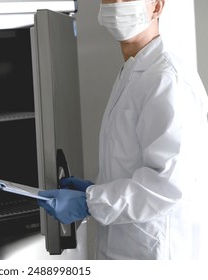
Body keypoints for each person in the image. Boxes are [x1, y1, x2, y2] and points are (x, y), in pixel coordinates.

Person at [38, 0, 208, 260]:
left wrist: (90, 202)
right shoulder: (134, 71)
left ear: (157, 7)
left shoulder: (167, 79)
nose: (116, 5)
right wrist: (94, 189)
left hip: (155, 254)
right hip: (128, 245)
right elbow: (135, 163)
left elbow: (168, 186)